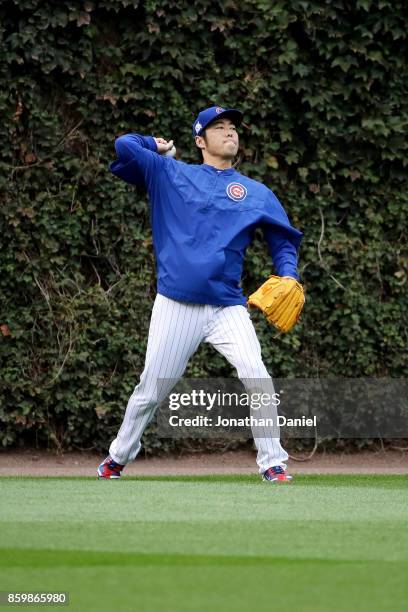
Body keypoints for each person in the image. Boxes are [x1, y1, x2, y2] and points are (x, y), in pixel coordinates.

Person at [97, 105, 303, 483]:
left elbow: (284, 241)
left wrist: (288, 275)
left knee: (257, 375)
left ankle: (273, 463)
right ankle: (116, 458)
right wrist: (155, 145)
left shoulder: (256, 194)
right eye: (218, 127)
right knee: (150, 390)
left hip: (228, 306)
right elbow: (123, 145)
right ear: (199, 140)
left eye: (233, 127)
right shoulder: (169, 173)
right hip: (176, 304)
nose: (229, 132)